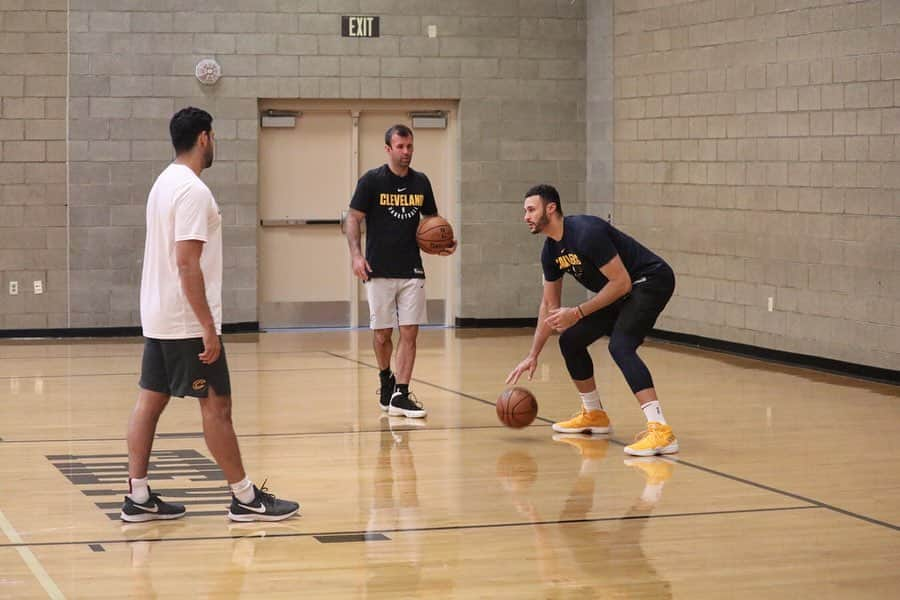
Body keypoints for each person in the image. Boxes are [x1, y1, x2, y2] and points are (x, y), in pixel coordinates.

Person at [121, 107, 299, 522]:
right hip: (185, 321)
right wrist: (207, 326)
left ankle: (139, 496)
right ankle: (244, 497)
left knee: (149, 401)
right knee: (216, 407)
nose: (214, 142)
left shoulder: (163, 182)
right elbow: (187, 263)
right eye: (213, 136)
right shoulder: (193, 191)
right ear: (204, 138)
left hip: (160, 315)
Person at [506, 184, 679, 456]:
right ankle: (594, 414)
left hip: (650, 280)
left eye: (531, 209)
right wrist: (533, 353)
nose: (525, 216)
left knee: (620, 346)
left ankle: (661, 431)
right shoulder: (550, 252)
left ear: (550, 208)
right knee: (571, 341)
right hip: (621, 289)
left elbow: (621, 283)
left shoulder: (586, 233)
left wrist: (577, 312)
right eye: (525, 211)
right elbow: (548, 306)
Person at [345, 124, 456, 419]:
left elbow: (432, 219)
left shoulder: (421, 182)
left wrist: (442, 242)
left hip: (411, 268)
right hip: (378, 268)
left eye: (410, 147)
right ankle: (386, 378)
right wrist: (356, 255)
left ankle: (402, 394)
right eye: (401, 147)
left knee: (410, 332)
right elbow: (353, 218)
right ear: (388, 149)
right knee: (382, 335)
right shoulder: (372, 181)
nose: (406, 152)